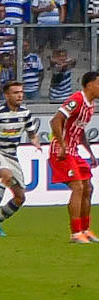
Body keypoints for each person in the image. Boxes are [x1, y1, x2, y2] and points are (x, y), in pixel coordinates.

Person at [52, 68, 99, 244]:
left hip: (74, 151)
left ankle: (85, 229)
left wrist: (90, 152)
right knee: (78, 187)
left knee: (88, 188)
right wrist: (62, 144)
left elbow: (79, 130)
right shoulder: (77, 99)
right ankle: (75, 233)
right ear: (89, 85)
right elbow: (55, 120)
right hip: (61, 151)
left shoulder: (90, 106)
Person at [0, 79, 35, 234]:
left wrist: (36, 142)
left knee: (20, 197)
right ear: (6, 95)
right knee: (5, 175)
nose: (20, 95)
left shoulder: (25, 113)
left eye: (21, 92)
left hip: (12, 155)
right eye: (16, 93)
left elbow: (31, 133)